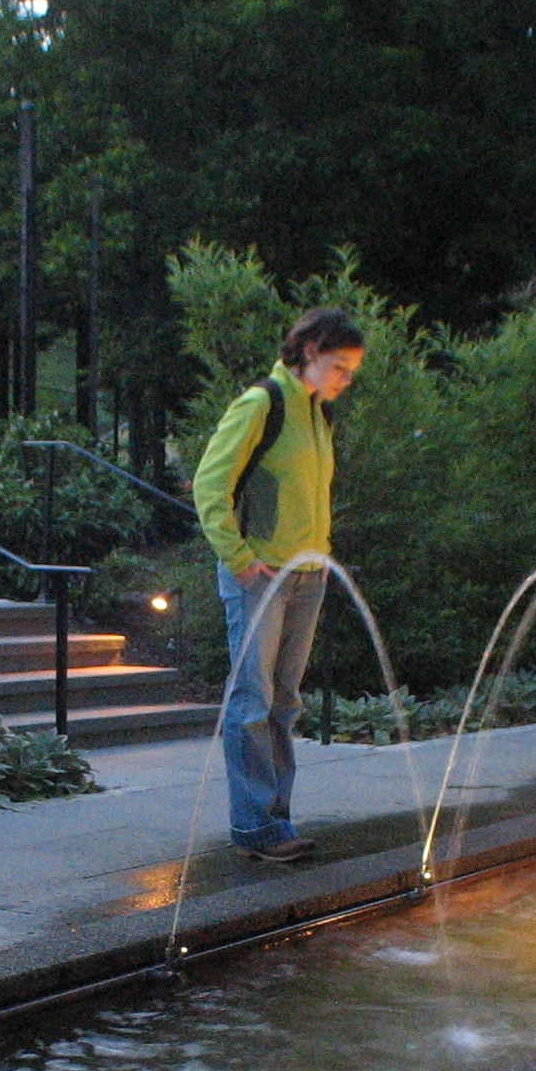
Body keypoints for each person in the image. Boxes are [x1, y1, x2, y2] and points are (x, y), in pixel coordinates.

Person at [190, 306, 366, 861]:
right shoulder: (261, 404)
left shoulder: (317, 413)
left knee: (284, 702)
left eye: (350, 371)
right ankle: (256, 826)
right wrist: (238, 559)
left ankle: (276, 819)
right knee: (252, 701)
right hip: (262, 575)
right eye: (339, 366)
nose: (344, 380)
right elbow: (209, 485)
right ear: (310, 351)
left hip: (306, 575)